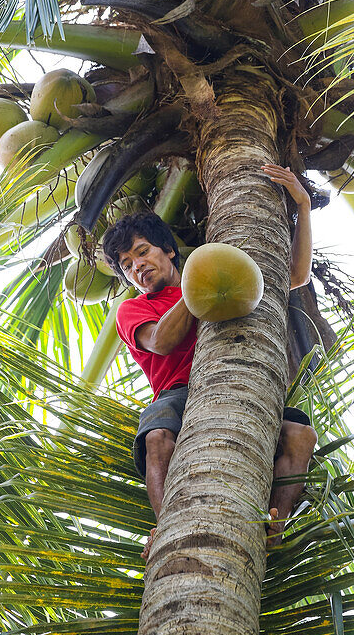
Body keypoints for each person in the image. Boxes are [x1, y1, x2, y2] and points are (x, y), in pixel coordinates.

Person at [101, 163, 318, 559]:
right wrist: (199, 284)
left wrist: (302, 205)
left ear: (168, 250)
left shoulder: (214, 276)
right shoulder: (132, 310)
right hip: (177, 394)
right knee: (155, 437)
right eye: (128, 267)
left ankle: (276, 523)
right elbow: (162, 342)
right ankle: (169, 525)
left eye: (142, 252)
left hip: (240, 383)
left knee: (301, 435)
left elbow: (295, 276)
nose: (138, 267)